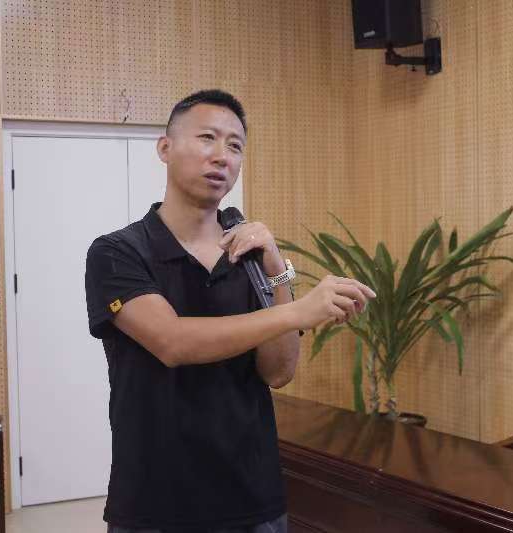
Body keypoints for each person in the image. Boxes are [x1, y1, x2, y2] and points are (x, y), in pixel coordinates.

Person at [85, 89, 375, 533]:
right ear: (165, 148)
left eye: (235, 145)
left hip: (254, 498)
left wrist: (277, 269)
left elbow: (278, 372)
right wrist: (300, 311)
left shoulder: (249, 254)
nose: (222, 155)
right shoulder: (117, 252)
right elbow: (172, 342)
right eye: (207, 138)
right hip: (156, 500)